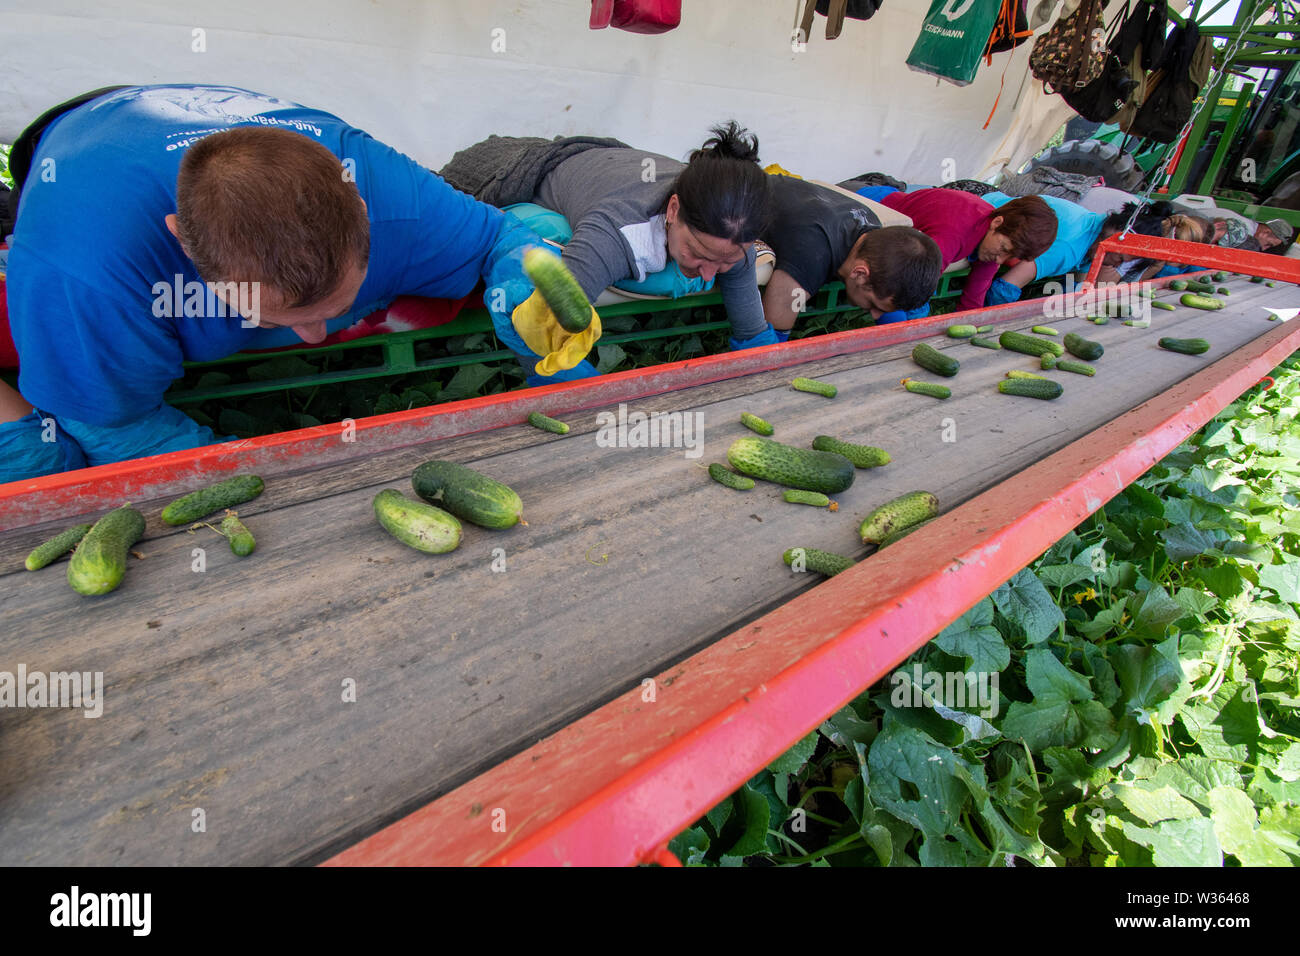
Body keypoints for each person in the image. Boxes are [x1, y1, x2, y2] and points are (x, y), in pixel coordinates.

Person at [1, 84, 546, 483]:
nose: (315, 337)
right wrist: (257, 476)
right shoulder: (81, 268)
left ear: (362, 209)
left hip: (200, 112)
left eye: (336, 305)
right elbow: (113, 426)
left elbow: (504, 238)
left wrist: (524, 284)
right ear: (182, 241)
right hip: (84, 137)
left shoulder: (392, 190)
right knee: (41, 462)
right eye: (271, 318)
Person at [440, 123, 775, 383]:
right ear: (673, 210)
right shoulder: (613, 235)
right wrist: (595, 401)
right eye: (698, 254)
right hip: (527, 161)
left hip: (611, 164)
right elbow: (539, 331)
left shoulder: (732, 234)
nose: (708, 275)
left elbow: (754, 334)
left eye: (727, 262)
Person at [759, 174, 941, 334]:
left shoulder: (874, 236)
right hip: (744, 193)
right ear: (859, 273)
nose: (875, 315)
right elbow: (772, 340)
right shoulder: (811, 257)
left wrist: (897, 337)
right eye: (873, 305)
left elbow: (889, 292)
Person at [857, 186, 1057, 311]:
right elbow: (913, 288)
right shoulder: (953, 234)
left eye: (1009, 256)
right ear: (997, 222)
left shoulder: (991, 239)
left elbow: (973, 301)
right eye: (1004, 249)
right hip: (868, 207)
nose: (1000, 261)